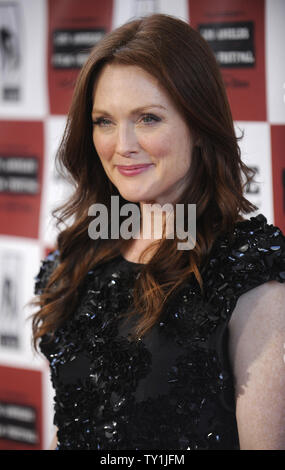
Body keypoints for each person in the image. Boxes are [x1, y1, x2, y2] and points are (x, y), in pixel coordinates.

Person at [32, 14, 285, 450]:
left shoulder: (247, 271)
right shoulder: (80, 257)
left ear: (200, 126)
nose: (121, 144)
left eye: (148, 118)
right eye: (104, 121)